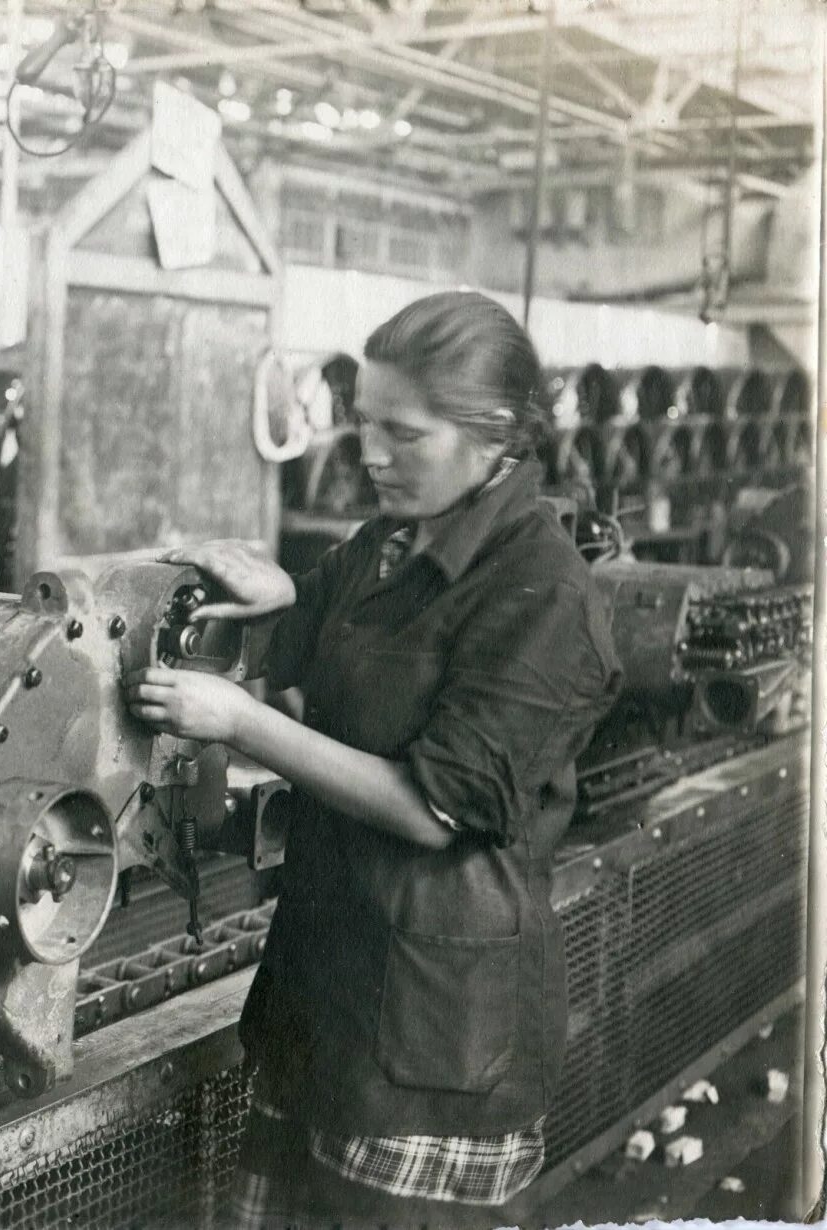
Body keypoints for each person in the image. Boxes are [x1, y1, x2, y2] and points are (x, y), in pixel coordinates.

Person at [125, 292, 622, 1229]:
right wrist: (274, 605)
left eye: (405, 434)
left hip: (433, 1048)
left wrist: (237, 721)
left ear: (496, 437)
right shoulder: (389, 542)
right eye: (363, 426)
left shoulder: (541, 591)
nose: (372, 455)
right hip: (321, 1004)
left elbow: (429, 807)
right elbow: (315, 638)